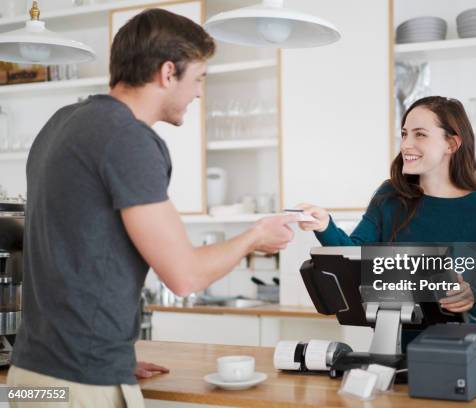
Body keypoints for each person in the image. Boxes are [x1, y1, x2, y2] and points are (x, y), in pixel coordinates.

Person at [7, 8, 296, 408]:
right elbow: (185, 277)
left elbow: (77, 253)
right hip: (79, 386)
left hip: (30, 379)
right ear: (167, 73)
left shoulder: (62, 122)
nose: (198, 93)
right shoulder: (128, 138)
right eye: (197, 79)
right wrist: (255, 236)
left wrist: (116, 355)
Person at [298, 96, 476, 347]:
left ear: (451, 143)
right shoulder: (389, 197)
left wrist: (473, 297)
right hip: (389, 347)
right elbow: (354, 254)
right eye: (404, 134)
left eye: (420, 135)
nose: (406, 144)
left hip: (456, 352)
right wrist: (325, 226)